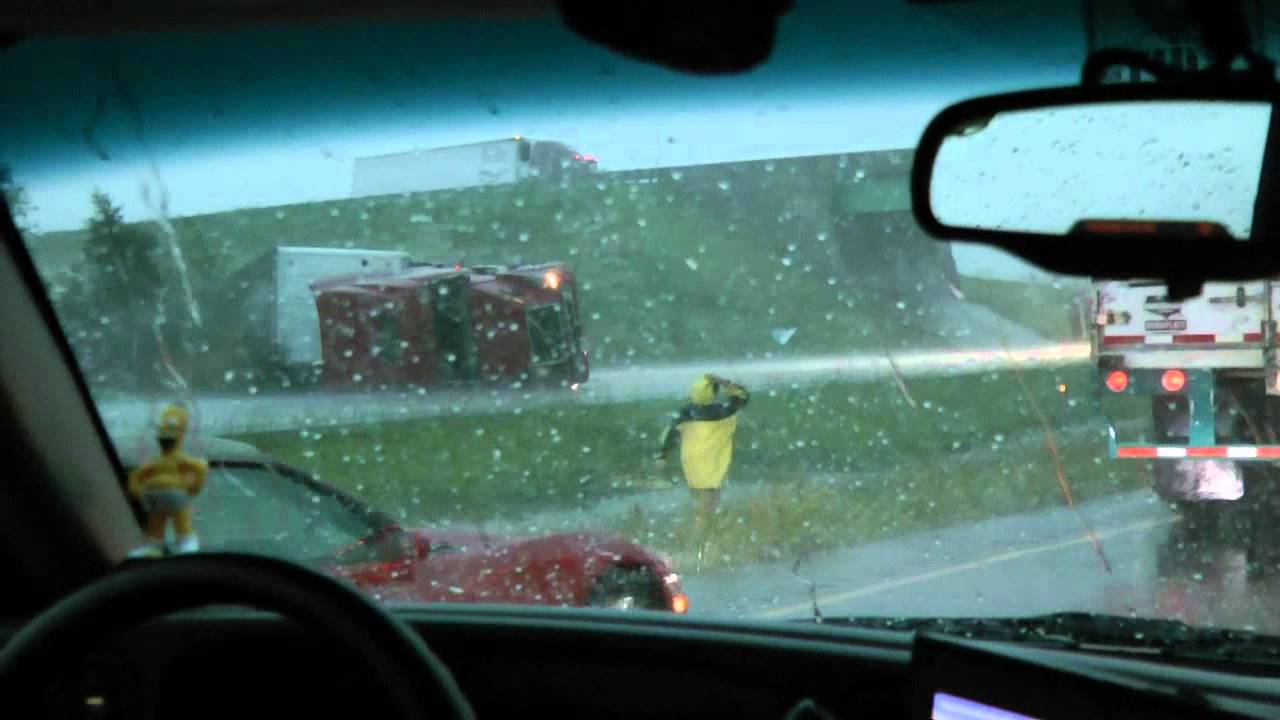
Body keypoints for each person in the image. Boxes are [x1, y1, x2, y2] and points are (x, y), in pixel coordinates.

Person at [655, 373, 750, 564]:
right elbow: (743, 396)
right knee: (708, 507)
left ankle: (702, 545)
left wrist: (662, 455)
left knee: (701, 504)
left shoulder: (686, 412)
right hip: (712, 463)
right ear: (713, 392)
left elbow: (669, 434)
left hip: (691, 463)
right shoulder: (723, 411)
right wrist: (726, 382)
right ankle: (698, 548)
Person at [127, 403, 209, 557]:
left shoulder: (160, 461)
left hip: (155, 497)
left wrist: (138, 492)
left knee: (159, 522)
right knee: (179, 520)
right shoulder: (176, 459)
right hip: (174, 495)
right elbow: (201, 469)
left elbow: (137, 475)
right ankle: (184, 544)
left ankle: (155, 544)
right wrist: (193, 489)